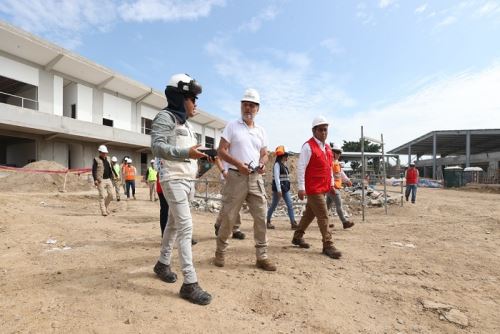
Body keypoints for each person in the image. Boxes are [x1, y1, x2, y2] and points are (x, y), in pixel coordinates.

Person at [151, 73, 211, 305]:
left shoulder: (186, 125)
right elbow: (157, 147)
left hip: (186, 181)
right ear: (178, 97)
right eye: (192, 98)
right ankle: (189, 283)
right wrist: (187, 153)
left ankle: (162, 263)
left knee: (173, 225)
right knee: (186, 227)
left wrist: (206, 158)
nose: (195, 103)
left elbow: (189, 153)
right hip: (172, 180)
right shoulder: (165, 118)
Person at [214, 88, 276, 272]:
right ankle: (220, 252)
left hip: (255, 178)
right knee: (229, 216)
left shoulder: (261, 131)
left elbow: (264, 154)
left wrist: (263, 163)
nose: (248, 108)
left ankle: (262, 257)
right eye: (245, 104)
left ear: (258, 109)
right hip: (236, 177)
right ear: (241, 106)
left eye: (252, 105)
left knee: (261, 216)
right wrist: (238, 164)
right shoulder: (232, 126)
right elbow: (221, 151)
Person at [291, 116, 342, 259]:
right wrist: (301, 187)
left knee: (309, 214)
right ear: (314, 131)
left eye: (325, 130)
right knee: (323, 215)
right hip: (313, 188)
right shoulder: (308, 146)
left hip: (324, 187)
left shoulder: (327, 148)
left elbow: (329, 167)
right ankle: (328, 244)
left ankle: (297, 236)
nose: (324, 132)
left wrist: (331, 184)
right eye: (321, 130)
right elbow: (301, 167)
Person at [213, 156, 245, 239]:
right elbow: (217, 159)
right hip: (227, 177)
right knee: (229, 204)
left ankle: (235, 229)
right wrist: (223, 171)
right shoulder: (224, 145)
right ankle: (220, 224)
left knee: (237, 203)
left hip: (238, 177)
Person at [266, 145, 298, 230]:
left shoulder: (284, 165)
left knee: (290, 204)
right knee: (274, 205)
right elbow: (276, 178)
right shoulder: (277, 165)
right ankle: (267, 221)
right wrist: (279, 190)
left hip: (285, 189)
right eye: (287, 155)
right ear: (283, 155)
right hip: (279, 189)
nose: (288, 157)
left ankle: (293, 223)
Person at [326, 143, 355, 229]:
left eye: (339, 153)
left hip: (334, 187)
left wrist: (347, 180)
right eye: (337, 153)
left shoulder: (336, 162)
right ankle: (345, 222)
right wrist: (331, 186)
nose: (339, 155)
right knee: (339, 205)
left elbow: (340, 173)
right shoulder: (330, 162)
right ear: (333, 153)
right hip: (333, 188)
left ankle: (324, 222)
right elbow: (329, 174)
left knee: (326, 207)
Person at [92, 145, 115, 216]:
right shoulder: (96, 160)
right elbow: (94, 170)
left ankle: (105, 207)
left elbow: (111, 168)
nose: (105, 154)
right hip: (100, 180)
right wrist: (95, 179)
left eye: (106, 152)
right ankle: (103, 211)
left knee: (111, 195)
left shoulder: (108, 159)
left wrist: (113, 176)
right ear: (100, 152)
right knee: (102, 196)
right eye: (103, 153)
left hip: (108, 179)